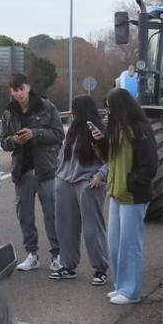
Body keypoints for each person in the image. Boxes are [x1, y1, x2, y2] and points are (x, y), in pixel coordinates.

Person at [94, 87, 158, 305]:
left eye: (110, 109)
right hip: (117, 194)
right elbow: (109, 158)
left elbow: (150, 164)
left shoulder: (139, 129)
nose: (108, 113)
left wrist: (132, 182)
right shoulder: (117, 129)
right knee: (115, 244)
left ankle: (131, 292)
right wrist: (100, 141)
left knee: (130, 245)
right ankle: (121, 287)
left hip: (133, 196)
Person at [0, 73, 63, 272]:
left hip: (45, 170)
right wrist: (14, 141)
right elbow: (3, 141)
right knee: (25, 216)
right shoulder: (9, 112)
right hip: (22, 171)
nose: (19, 93)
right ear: (11, 91)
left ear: (28, 87)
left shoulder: (47, 107)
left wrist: (36, 133)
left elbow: (59, 134)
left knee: (52, 215)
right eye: (15, 90)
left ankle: (58, 255)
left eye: (21, 89)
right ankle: (32, 255)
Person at [51, 95, 109, 284]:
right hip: (65, 182)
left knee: (93, 229)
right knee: (65, 227)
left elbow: (112, 157)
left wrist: (100, 175)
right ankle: (68, 266)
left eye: (74, 109)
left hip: (89, 183)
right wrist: (58, 176)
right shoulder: (73, 129)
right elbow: (63, 154)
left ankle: (100, 268)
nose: (71, 112)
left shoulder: (100, 129)